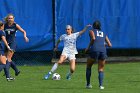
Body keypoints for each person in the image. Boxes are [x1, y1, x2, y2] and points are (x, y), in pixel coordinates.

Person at [85, 20, 112, 89]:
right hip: (103, 50)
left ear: (93, 26)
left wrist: (87, 47)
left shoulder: (91, 31)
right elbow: (110, 45)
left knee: (88, 66)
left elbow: (93, 38)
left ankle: (88, 85)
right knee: (101, 69)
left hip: (94, 49)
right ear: (100, 26)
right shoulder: (103, 33)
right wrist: (102, 44)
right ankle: (101, 86)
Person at [3, 14, 29, 79]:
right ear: (7, 19)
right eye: (9, 18)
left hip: (13, 43)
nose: (10, 19)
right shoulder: (5, 25)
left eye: (11, 18)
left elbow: (23, 31)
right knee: (5, 58)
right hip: (6, 43)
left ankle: (7, 74)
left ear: (13, 19)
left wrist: (25, 36)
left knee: (8, 58)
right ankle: (17, 70)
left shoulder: (15, 25)